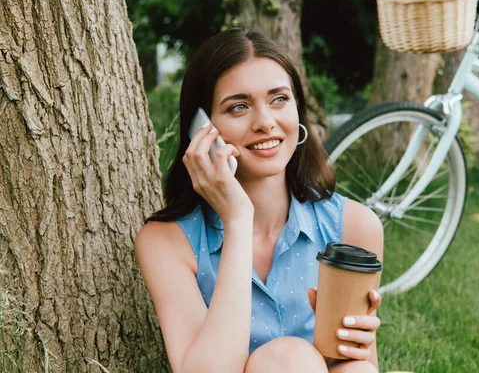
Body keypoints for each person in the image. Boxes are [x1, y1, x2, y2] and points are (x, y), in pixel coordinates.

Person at [135, 27, 384, 373]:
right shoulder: (166, 242)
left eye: (279, 99)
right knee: (288, 358)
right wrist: (237, 220)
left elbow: (360, 365)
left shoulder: (353, 226)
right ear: (202, 127)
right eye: (238, 107)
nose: (265, 123)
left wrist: (356, 345)